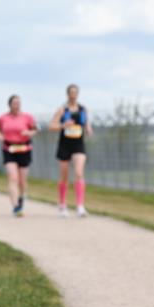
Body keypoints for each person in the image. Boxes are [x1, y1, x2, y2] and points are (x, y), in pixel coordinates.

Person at [49, 84, 94, 217]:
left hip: (78, 144)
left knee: (79, 173)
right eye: (71, 92)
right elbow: (52, 126)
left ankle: (80, 206)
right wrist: (63, 125)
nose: (73, 95)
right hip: (65, 144)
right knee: (64, 176)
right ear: (67, 94)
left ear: (78, 94)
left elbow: (86, 123)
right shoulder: (62, 110)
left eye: (75, 92)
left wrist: (88, 128)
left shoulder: (82, 109)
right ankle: (62, 205)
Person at [0, 95, 37, 217]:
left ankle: (21, 199)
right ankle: (15, 206)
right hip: (9, 148)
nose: (17, 105)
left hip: (24, 148)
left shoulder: (27, 117)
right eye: (14, 103)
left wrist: (30, 132)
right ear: (9, 104)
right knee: (13, 177)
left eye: (19, 103)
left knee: (22, 181)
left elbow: (35, 129)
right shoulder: (3, 118)